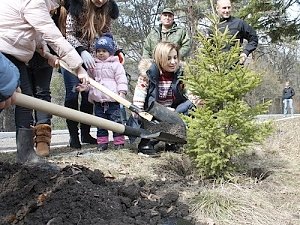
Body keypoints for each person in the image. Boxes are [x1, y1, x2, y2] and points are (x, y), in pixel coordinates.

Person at [0, 0, 89, 163]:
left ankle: (25, 154)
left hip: (12, 55)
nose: (56, 10)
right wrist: (78, 67)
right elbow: (52, 35)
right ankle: (26, 154)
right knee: (15, 99)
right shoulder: (35, 2)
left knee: (25, 101)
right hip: (5, 54)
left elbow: (35, 33)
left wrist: (47, 55)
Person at [59, 0, 121, 149]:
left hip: (93, 60)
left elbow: (106, 34)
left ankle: (85, 133)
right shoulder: (77, 6)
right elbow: (69, 34)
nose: (100, 1)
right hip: (71, 57)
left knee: (89, 96)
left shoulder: (106, 9)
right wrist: (81, 50)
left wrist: (118, 51)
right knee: (72, 95)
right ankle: (73, 136)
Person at [132, 42, 195, 155]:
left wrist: (198, 100)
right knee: (155, 122)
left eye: (175, 58)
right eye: (168, 58)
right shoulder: (148, 74)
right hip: (154, 110)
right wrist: (138, 109)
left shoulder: (180, 74)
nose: (173, 62)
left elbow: (189, 91)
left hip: (174, 109)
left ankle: (174, 142)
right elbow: (139, 93)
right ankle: (147, 143)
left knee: (190, 105)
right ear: (160, 59)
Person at [82, 34, 128, 151]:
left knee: (116, 122)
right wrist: (85, 87)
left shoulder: (116, 65)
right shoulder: (93, 65)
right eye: (98, 51)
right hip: (98, 102)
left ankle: (119, 142)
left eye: (104, 51)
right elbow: (89, 80)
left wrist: (122, 92)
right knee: (100, 124)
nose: (101, 53)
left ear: (110, 52)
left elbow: (121, 79)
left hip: (112, 101)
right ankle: (102, 143)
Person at [215, 0, 258, 64]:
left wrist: (245, 53)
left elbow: (254, 38)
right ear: (217, 8)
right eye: (224, 8)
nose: (227, 11)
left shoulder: (239, 23)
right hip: (217, 68)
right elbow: (208, 48)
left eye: (229, 7)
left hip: (236, 68)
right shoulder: (214, 27)